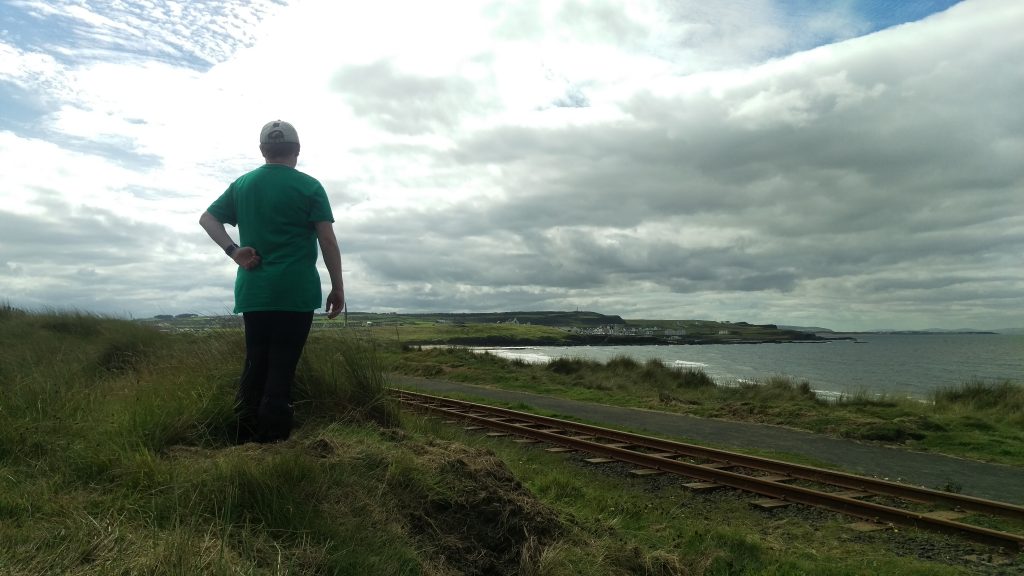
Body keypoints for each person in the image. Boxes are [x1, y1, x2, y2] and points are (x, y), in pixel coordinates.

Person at [199, 119, 344, 443]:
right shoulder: (309, 187)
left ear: (263, 150)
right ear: (297, 150)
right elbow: (327, 240)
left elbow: (207, 218)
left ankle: (243, 438)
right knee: (282, 368)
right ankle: (273, 445)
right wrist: (338, 285)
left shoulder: (243, 185)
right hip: (295, 291)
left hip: (255, 290)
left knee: (255, 365)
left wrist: (234, 251)